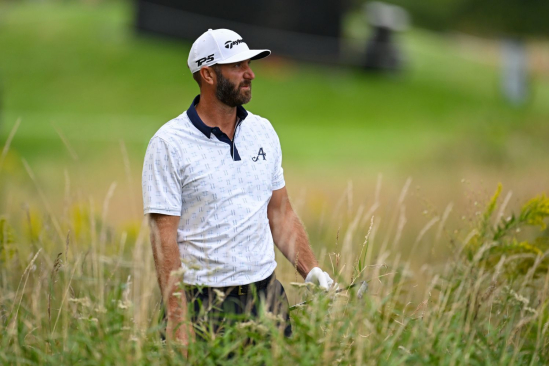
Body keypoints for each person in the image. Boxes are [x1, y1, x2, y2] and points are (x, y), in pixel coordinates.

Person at [142, 28, 335, 353]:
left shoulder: (263, 132)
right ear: (207, 74)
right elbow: (164, 238)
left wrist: (311, 269)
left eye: (249, 64)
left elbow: (280, 212)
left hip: (266, 297)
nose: (250, 74)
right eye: (237, 67)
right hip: (204, 303)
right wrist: (178, 318)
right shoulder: (168, 144)